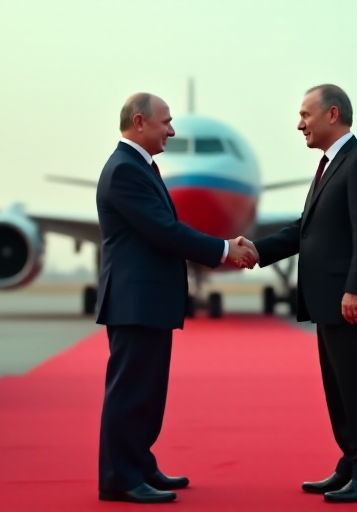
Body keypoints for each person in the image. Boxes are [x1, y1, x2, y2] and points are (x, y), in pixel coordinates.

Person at [94, 93, 254, 504]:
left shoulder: (140, 167)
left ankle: (140, 465)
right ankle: (120, 479)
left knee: (147, 392)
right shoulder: (125, 170)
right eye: (165, 122)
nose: (171, 130)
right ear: (139, 122)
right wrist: (224, 249)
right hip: (135, 300)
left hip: (148, 299)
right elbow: (164, 231)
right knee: (130, 392)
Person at [241, 84, 357, 503]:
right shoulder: (331, 165)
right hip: (328, 300)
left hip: (348, 300)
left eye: (305, 115)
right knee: (338, 388)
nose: (299, 124)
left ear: (332, 114)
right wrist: (257, 251)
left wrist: (356, 290)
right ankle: (351, 464)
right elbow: (305, 229)